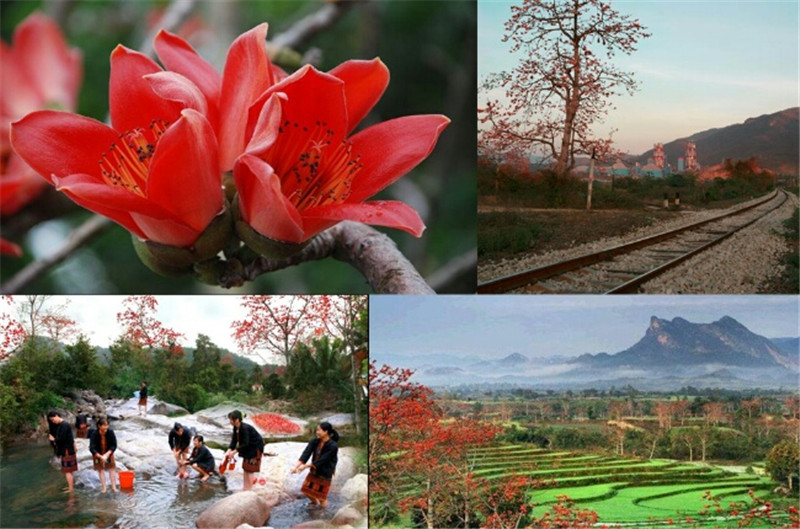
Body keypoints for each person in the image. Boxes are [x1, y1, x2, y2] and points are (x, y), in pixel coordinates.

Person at [291, 422, 339, 508]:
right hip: (315, 470)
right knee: (306, 491)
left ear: (326, 432)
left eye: (319, 430)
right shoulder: (315, 441)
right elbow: (306, 454)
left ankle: (323, 512)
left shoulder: (333, 446)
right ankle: (315, 503)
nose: (317, 432)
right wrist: (296, 467)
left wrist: (305, 467)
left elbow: (323, 460)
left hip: (325, 472)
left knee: (322, 497)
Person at [224, 410, 264, 490]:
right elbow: (234, 440)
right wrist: (229, 449)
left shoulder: (245, 428)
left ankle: (249, 488)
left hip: (255, 447)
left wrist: (235, 451)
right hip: (248, 448)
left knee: (250, 469)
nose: (230, 421)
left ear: (237, 420)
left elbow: (246, 443)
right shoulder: (236, 428)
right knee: (245, 468)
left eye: (231, 420)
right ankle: (245, 487)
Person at [47, 411, 78, 493]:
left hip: (67, 450)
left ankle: (71, 488)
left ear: (57, 416)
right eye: (52, 421)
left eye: (53, 419)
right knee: (69, 470)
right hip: (68, 449)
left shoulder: (64, 425)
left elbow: (62, 439)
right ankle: (70, 486)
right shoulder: (63, 425)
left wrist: (53, 439)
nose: (53, 422)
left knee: (67, 470)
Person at [89, 418, 118, 493]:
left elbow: (114, 445)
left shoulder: (110, 432)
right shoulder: (94, 434)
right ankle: (104, 488)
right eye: (104, 425)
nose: (106, 427)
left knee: (111, 468)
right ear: (99, 426)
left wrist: (107, 454)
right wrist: (100, 456)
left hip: (108, 452)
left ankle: (114, 487)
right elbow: (92, 448)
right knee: (100, 469)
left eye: (107, 425)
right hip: (98, 454)